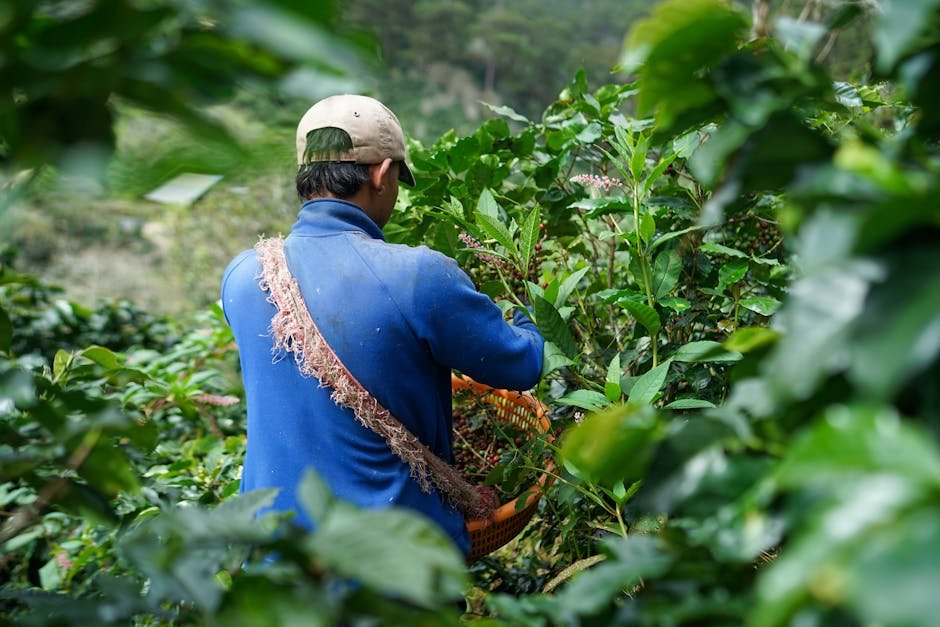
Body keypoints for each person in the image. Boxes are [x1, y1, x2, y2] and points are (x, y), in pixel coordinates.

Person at [220, 94, 544, 557]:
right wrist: (529, 305)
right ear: (381, 174)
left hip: (276, 561)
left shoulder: (242, 276)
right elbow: (521, 365)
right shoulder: (418, 276)